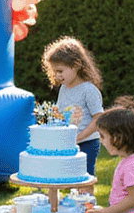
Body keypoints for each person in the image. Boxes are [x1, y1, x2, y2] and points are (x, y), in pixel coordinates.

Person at [41, 36, 105, 177]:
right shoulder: (64, 88)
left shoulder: (89, 90)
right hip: (69, 142)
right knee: (67, 177)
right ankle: (66, 200)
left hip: (87, 142)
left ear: (75, 66)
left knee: (84, 178)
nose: (57, 75)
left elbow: (99, 118)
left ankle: (87, 200)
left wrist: (78, 138)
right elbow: (60, 113)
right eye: (54, 71)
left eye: (60, 71)